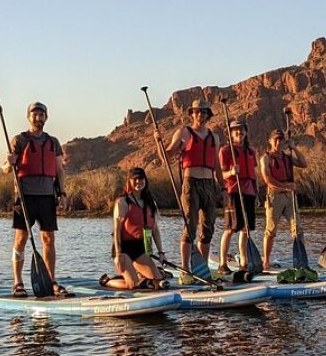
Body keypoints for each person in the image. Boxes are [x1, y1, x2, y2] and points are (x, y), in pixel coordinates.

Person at [2, 102, 70, 298]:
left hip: (47, 197)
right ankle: (18, 282)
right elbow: (5, 169)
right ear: (28, 117)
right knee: (21, 239)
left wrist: (63, 194)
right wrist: (9, 163)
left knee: (48, 239)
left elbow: (59, 170)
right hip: (25, 197)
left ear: (46, 117)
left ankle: (50, 279)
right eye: (34, 115)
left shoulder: (53, 142)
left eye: (41, 115)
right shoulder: (19, 140)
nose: (38, 118)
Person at [160, 99, 227, 277]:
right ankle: (186, 270)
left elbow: (218, 166)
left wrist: (223, 188)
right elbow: (167, 156)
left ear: (207, 115)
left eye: (203, 112)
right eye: (197, 112)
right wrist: (158, 143)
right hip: (191, 183)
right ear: (192, 114)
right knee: (190, 226)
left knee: (208, 228)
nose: (200, 115)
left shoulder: (215, 137)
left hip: (209, 184)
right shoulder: (184, 133)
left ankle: (202, 268)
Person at [105, 167, 168, 289]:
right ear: (129, 181)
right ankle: (107, 281)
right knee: (133, 285)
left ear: (145, 181)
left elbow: (154, 230)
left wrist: (161, 252)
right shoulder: (122, 202)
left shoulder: (151, 203)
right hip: (124, 249)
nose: (139, 182)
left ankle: (139, 275)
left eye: (141, 179)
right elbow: (117, 231)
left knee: (158, 282)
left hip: (140, 249)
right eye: (135, 179)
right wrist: (118, 255)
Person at [259, 128, 307, 271]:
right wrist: (285, 187)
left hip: (290, 197)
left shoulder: (287, 157)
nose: (278, 142)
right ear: (270, 141)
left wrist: (294, 148)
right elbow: (267, 179)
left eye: (281, 140)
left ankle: (301, 261)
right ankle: (266, 261)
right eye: (276, 139)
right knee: (271, 230)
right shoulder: (266, 158)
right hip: (275, 196)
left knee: (297, 229)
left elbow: (304, 164)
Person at [218, 118, 258, 273]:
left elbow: (254, 174)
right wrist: (231, 172)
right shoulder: (225, 151)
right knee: (230, 228)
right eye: (235, 130)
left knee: (245, 229)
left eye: (241, 130)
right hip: (233, 192)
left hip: (249, 192)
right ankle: (222, 264)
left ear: (245, 132)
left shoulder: (251, 151)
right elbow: (220, 174)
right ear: (231, 133)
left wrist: (256, 194)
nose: (239, 132)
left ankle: (244, 262)